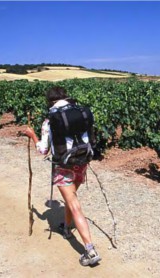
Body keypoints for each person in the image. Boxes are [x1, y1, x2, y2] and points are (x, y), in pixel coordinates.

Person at [24, 86, 101, 266]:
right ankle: (66, 228)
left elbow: (43, 150)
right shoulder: (80, 113)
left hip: (63, 166)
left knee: (74, 205)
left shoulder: (50, 121)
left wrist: (33, 135)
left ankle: (90, 250)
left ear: (49, 101)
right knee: (71, 199)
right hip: (82, 162)